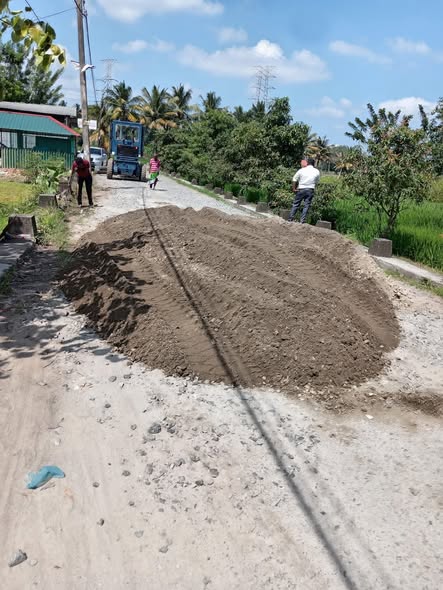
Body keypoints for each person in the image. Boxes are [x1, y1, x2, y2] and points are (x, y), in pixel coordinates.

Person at [288, 157, 320, 223]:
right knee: (306, 206)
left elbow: (294, 179)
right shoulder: (317, 171)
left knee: (296, 204)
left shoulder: (301, 170)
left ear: (307, 163)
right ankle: (302, 221)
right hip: (310, 190)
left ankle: (290, 219)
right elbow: (317, 182)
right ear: (313, 164)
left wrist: (294, 188)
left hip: (301, 189)